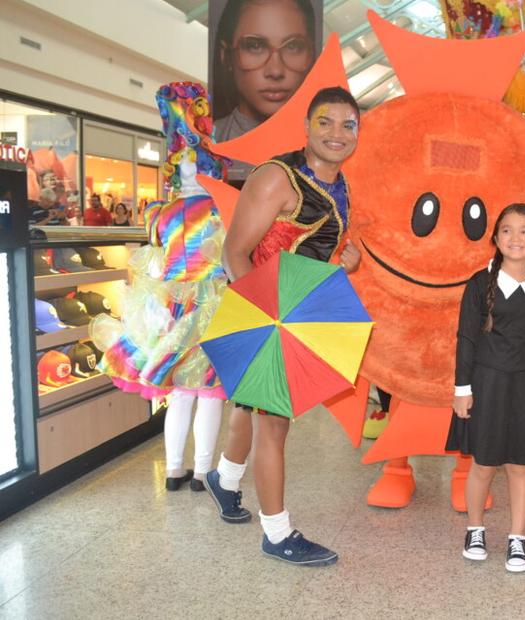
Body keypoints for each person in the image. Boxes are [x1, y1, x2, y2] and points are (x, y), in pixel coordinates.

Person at [205, 86, 362, 566]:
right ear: (307, 127)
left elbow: (307, 256)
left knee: (252, 405)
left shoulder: (339, 183)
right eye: (326, 122)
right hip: (262, 311)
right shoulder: (279, 177)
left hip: (293, 311)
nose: (337, 133)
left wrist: (343, 266)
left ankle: (225, 478)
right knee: (273, 425)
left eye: (348, 125)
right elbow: (236, 251)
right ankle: (277, 534)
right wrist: (263, 316)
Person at [91, 82, 230, 495]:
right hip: (212, 308)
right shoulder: (222, 209)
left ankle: (174, 471)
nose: (189, 168)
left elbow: (153, 261)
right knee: (207, 393)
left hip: (170, 309)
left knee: (181, 393)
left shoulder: (159, 212)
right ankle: (202, 473)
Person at [446, 203, 525, 573]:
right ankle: (475, 530)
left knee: (520, 465)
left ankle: (517, 537)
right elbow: (465, 338)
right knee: (483, 463)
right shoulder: (480, 281)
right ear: (495, 238)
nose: (516, 238)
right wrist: (462, 389)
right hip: (485, 383)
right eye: (507, 230)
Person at [212, 0, 316, 185]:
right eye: (255, 46)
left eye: (293, 47)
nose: (275, 71)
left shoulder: (325, 146)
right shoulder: (206, 143)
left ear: (310, 55)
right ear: (225, 56)